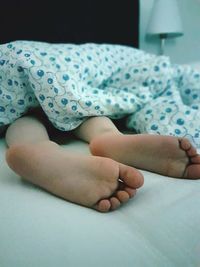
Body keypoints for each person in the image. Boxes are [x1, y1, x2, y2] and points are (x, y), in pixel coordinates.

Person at [1, 41, 200, 212]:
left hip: (13, 85)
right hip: (41, 70)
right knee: (88, 113)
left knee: (22, 120)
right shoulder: (142, 61)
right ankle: (110, 138)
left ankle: (36, 148)